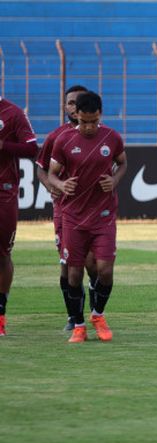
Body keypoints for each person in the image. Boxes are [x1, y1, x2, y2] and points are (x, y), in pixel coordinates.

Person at [48, 91, 126, 343]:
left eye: (93, 121)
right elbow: (51, 174)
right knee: (73, 275)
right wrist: (61, 186)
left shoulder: (112, 138)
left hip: (103, 215)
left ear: (99, 115)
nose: (89, 127)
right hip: (73, 216)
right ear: (75, 116)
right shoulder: (64, 141)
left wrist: (113, 180)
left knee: (105, 271)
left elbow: (123, 163)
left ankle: (97, 315)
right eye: (84, 122)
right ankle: (78, 325)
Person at [36, 85, 100, 331]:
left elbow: (117, 163)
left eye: (78, 103)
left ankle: (96, 314)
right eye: (70, 103)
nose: (74, 107)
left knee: (94, 264)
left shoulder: (102, 136)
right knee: (68, 264)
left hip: (94, 211)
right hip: (65, 210)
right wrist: (53, 185)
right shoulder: (56, 137)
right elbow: (42, 169)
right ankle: (74, 318)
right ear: (65, 107)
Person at [0, 94, 38, 336]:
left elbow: (32, 148)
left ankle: (0, 314)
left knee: (2, 255)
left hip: (3, 192)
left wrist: (4, 146)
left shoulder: (12, 113)